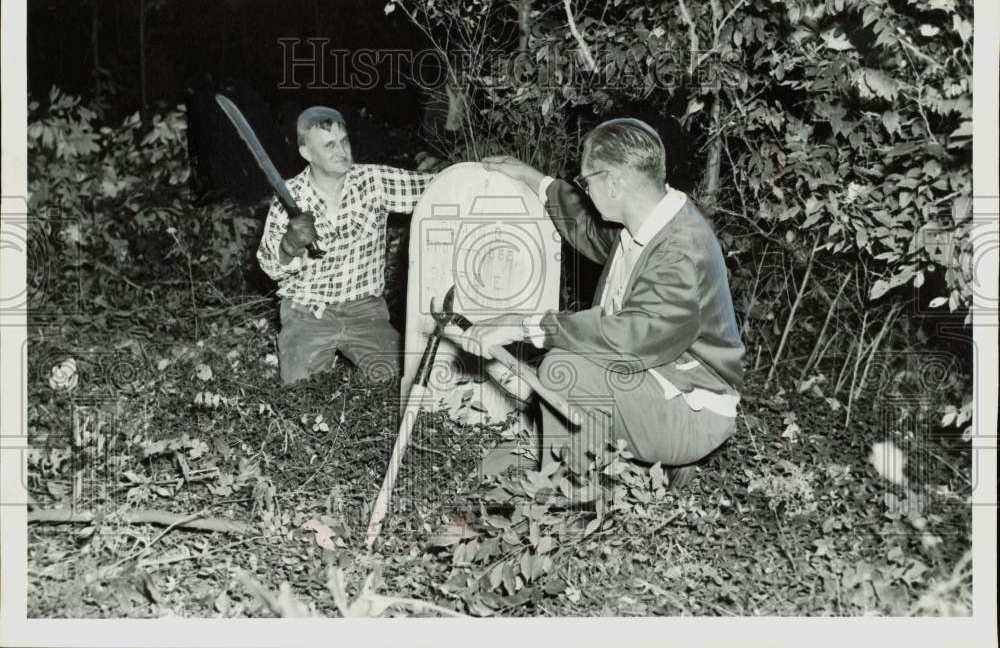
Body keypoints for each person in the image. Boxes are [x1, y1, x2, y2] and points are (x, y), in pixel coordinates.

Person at [454, 118, 744, 491]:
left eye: (587, 181)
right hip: (659, 383)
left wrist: (529, 324)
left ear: (613, 182)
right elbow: (588, 227)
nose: (586, 191)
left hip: (692, 409)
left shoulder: (680, 252)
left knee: (565, 368)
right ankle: (628, 468)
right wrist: (533, 179)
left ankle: (564, 500)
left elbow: (633, 339)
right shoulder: (647, 220)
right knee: (567, 365)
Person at [257, 106, 436, 385]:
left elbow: (435, 188)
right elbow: (270, 268)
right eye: (329, 145)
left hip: (366, 311)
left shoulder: (374, 181)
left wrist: (482, 170)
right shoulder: (289, 196)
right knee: (297, 391)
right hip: (307, 312)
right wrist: (290, 244)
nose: (341, 151)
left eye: (344, 141)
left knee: (400, 382)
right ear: (307, 153)